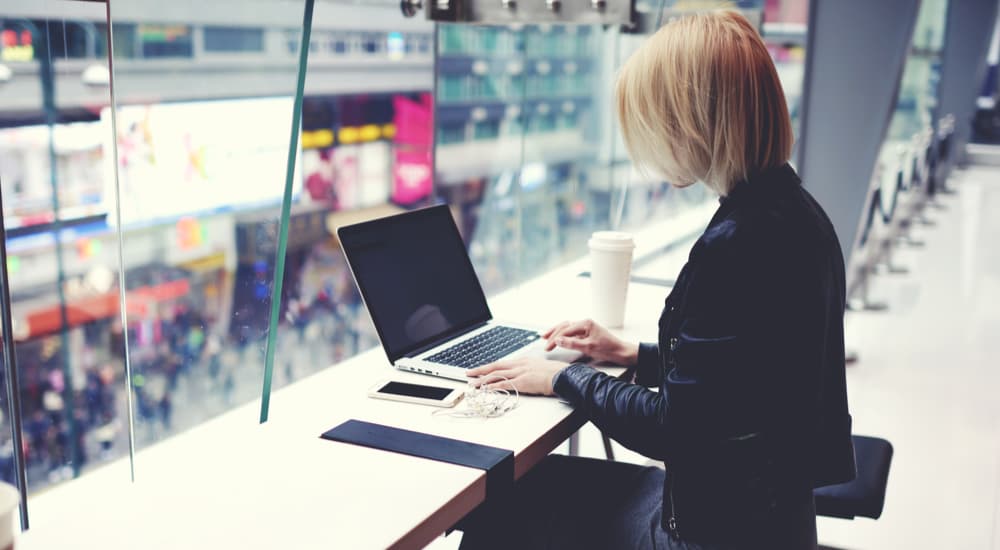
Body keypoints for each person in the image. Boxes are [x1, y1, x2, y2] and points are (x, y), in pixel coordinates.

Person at [461, 10, 856, 550]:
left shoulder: (738, 245)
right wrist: (629, 354)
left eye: (650, 124)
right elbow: (736, 385)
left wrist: (561, 379)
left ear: (690, 123)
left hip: (703, 534)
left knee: (499, 507)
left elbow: (676, 430)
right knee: (533, 492)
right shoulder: (796, 214)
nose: (645, 145)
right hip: (768, 520)